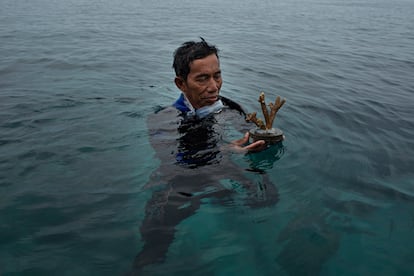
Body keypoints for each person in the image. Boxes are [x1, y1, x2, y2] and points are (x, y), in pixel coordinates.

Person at [130, 38, 280, 274]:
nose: (214, 86)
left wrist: (265, 142)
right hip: (181, 180)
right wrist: (226, 150)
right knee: (157, 230)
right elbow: (174, 164)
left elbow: (250, 135)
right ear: (181, 83)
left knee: (268, 198)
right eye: (202, 78)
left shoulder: (230, 108)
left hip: (222, 165)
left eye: (217, 75)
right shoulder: (163, 120)